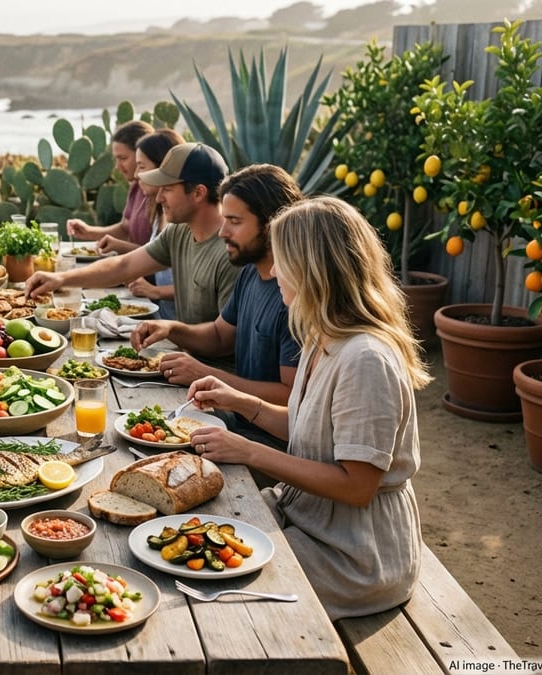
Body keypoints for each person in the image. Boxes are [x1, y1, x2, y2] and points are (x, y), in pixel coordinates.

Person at [186, 195, 431, 620]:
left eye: (282, 260)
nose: (274, 270)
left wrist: (247, 451)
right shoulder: (323, 336)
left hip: (354, 556)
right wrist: (242, 403)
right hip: (309, 517)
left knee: (216, 596)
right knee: (199, 541)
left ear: (313, 268)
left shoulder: (366, 359)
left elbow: (357, 486)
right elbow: (310, 429)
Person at [132, 164, 304, 413]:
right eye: (224, 220)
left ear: (271, 225)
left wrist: (207, 374)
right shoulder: (249, 272)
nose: (223, 232)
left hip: (260, 440)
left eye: (234, 221)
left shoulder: (294, 297)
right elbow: (220, 335)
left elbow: (291, 398)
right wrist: (170, 328)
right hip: (230, 419)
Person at [25, 142, 237, 327]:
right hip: (182, 356)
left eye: (168, 189)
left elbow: (224, 339)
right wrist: (59, 278)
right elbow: (123, 266)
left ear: (198, 193)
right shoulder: (179, 230)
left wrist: (169, 330)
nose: (159, 197)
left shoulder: (230, 252)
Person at [65, 120, 154, 255]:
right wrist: (89, 232)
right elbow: (125, 229)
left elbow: (163, 256)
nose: (117, 167)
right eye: (116, 159)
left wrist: (120, 247)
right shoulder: (136, 187)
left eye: (123, 158)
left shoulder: (161, 195)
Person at [122, 128, 184, 320]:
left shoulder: (184, 223)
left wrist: (153, 291)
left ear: (163, 168)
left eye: (141, 166)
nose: (136, 174)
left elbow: (200, 290)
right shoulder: (159, 212)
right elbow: (150, 258)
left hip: (180, 333)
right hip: (162, 321)